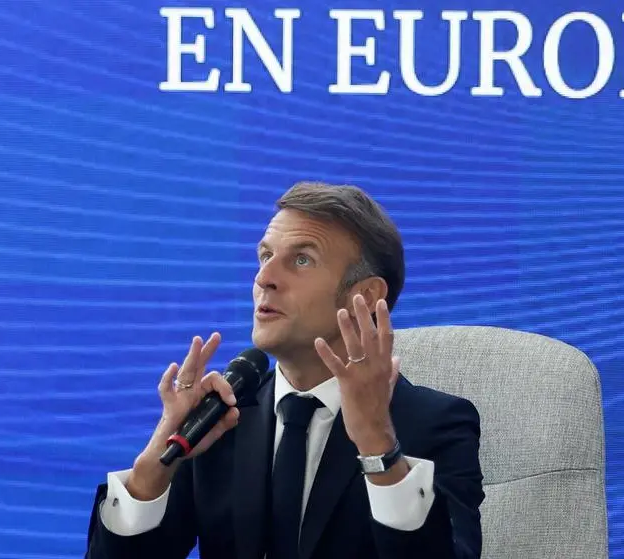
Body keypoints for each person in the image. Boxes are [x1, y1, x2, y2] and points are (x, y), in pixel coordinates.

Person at [85, 181, 484, 559]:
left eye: (301, 259)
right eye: (264, 257)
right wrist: (158, 459)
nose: (264, 279)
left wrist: (377, 444)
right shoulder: (220, 422)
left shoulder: (435, 424)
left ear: (364, 296)